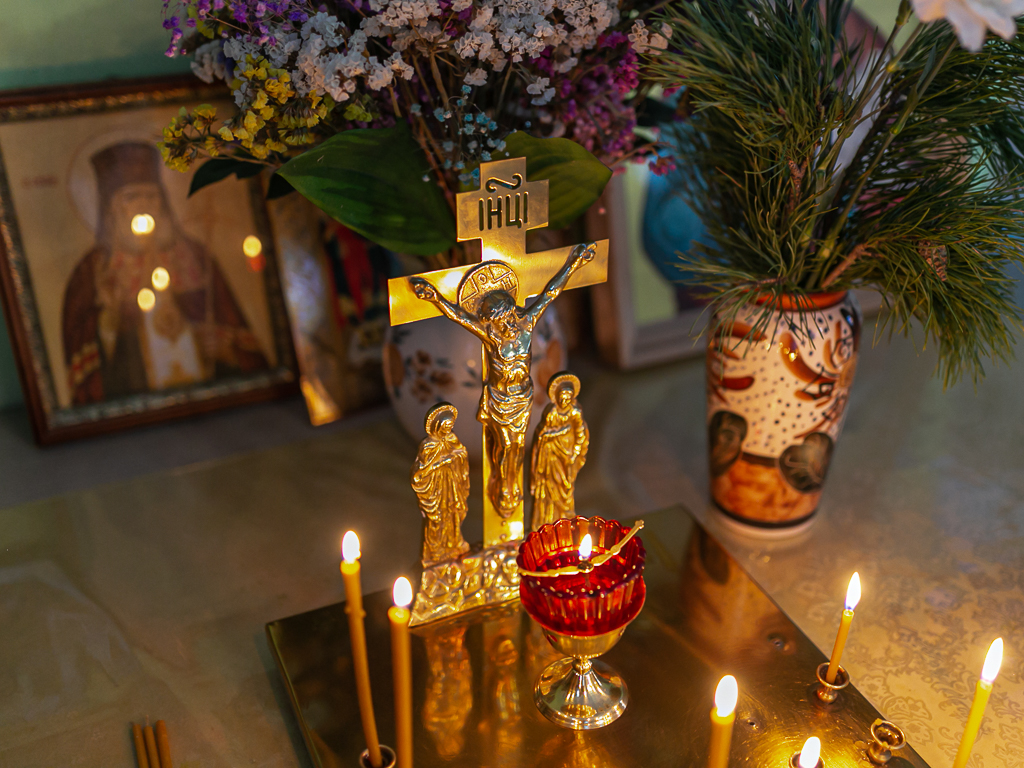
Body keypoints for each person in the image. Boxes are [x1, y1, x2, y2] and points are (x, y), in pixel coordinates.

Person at [62, 141, 267, 405]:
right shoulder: (94, 270)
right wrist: (109, 322)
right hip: (134, 402)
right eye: (131, 197)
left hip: (213, 398)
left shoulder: (194, 257)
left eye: (151, 196)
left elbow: (238, 336)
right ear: (111, 208)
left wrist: (225, 349)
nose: (144, 205)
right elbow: (83, 351)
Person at [409, 243, 596, 518]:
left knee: (517, 447)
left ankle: (508, 486)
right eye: (498, 322)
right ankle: (503, 485)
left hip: (523, 397)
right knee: (506, 447)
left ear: (511, 311)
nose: (506, 326)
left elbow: (550, 293)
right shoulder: (492, 338)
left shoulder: (527, 323)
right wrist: (435, 297)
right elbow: (458, 316)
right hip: (501, 401)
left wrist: (574, 263)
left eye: (507, 318)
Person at [412, 403, 471, 566]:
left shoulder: (452, 439)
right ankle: (435, 551)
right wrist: (441, 463)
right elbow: (421, 473)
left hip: (452, 486)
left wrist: (457, 457)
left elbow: (461, 454)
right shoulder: (428, 446)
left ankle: (454, 544)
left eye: (450, 426)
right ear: (437, 426)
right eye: (445, 426)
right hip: (437, 489)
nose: (448, 429)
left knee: (453, 515)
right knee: (437, 520)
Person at [530, 373, 589, 530]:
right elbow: (542, 434)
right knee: (548, 487)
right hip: (550, 456)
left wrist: (575, 453)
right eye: (562, 396)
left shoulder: (575, 412)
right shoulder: (551, 412)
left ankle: (565, 520)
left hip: (567, 455)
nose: (564, 400)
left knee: (565, 487)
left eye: (568, 397)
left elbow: (580, 434)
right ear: (556, 396)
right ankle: (546, 522)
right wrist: (559, 432)